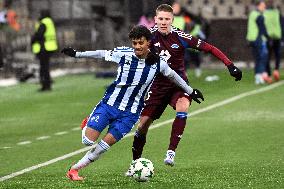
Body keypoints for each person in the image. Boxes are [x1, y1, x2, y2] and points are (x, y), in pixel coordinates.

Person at [61, 25, 204, 181]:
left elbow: (174, 76)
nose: (137, 47)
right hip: (109, 104)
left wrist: (190, 91)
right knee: (87, 141)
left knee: (103, 147)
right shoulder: (124, 54)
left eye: (140, 43)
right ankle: (87, 123)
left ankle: (74, 170)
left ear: (148, 42)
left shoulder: (158, 62)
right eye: (134, 43)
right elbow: (101, 54)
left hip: (130, 114)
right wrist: (77, 54)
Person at [125, 4, 242, 174]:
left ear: (172, 20)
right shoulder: (148, 36)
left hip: (178, 84)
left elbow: (209, 48)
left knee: (183, 106)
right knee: (142, 125)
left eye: (167, 19)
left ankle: (171, 152)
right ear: (155, 19)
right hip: (157, 87)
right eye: (160, 19)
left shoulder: (181, 36)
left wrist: (230, 65)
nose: (163, 22)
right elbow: (134, 55)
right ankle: (135, 164)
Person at [31, 9, 58, 91]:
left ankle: (45, 85)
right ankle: (47, 83)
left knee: (44, 67)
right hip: (51, 47)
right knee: (45, 67)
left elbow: (39, 35)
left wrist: (33, 39)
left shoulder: (44, 22)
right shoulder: (50, 21)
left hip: (44, 48)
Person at [246, 1, 272, 84]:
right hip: (258, 39)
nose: (264, 8)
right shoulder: (259, 16)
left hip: (251, 39)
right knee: (262, 58)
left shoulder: (252, 14)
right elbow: (262, 29)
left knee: (257, 58)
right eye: (263, 6)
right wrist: (269, 38)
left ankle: (257, 76)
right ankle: (261, 75)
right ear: (259, 6)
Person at [264, 0, 282, 81]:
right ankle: (276, 70)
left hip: (268, 37)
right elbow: (282, 25)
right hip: (277, 37)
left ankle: (269, 75)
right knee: (277, 55)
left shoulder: (264, 14)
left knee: (267, 56)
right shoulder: (277, 13)